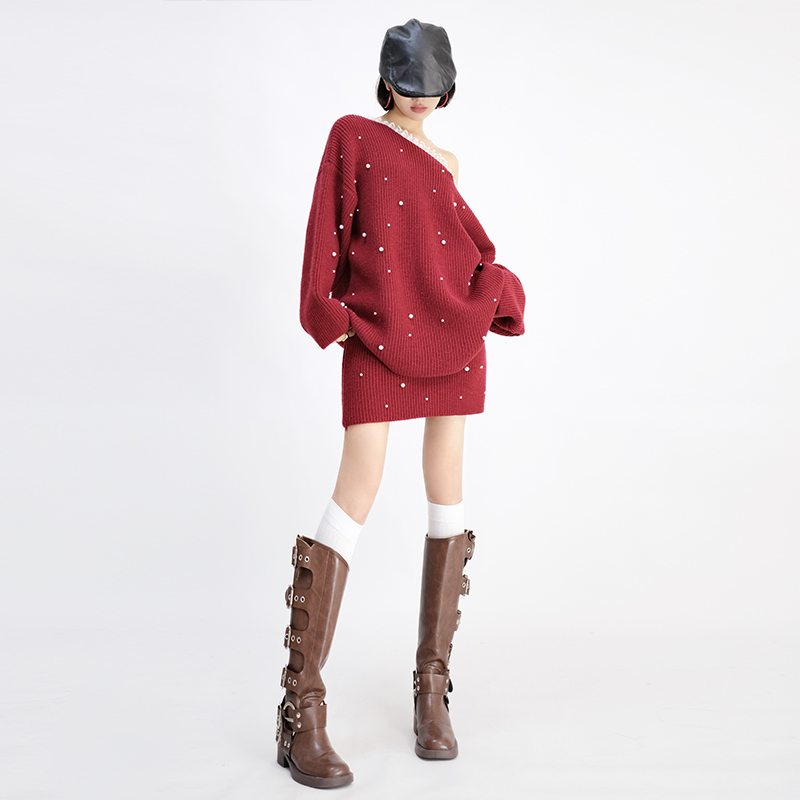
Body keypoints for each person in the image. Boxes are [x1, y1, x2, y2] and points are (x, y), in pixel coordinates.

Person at [276, 18, 526, 789]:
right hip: (379, 333)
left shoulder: (447, 161)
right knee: (358, 487)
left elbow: (452, 247)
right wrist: (338, 318)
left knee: (446, 488)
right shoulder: (352, 136)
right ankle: (300, 707)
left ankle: (431, 689)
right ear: (386, 80)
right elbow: (327, 237)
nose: (420, 99)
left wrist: (484, 296)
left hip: (451, 330)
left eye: (433, 87)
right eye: (409, 84)